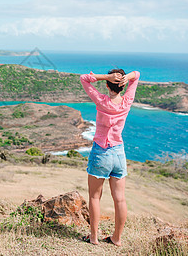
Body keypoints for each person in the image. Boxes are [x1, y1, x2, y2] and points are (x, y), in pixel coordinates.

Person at [79, 68, 140, 246]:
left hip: (101, 152)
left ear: (107, 84)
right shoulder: (127, 101)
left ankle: (94, 237)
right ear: (122, 86)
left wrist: (107, 76)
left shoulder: (102, 101)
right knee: (120, 198)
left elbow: (84, 78)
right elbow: (136, 75)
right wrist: (126, 77)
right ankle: (117, 239)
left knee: (94, 197)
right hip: (119, 153)